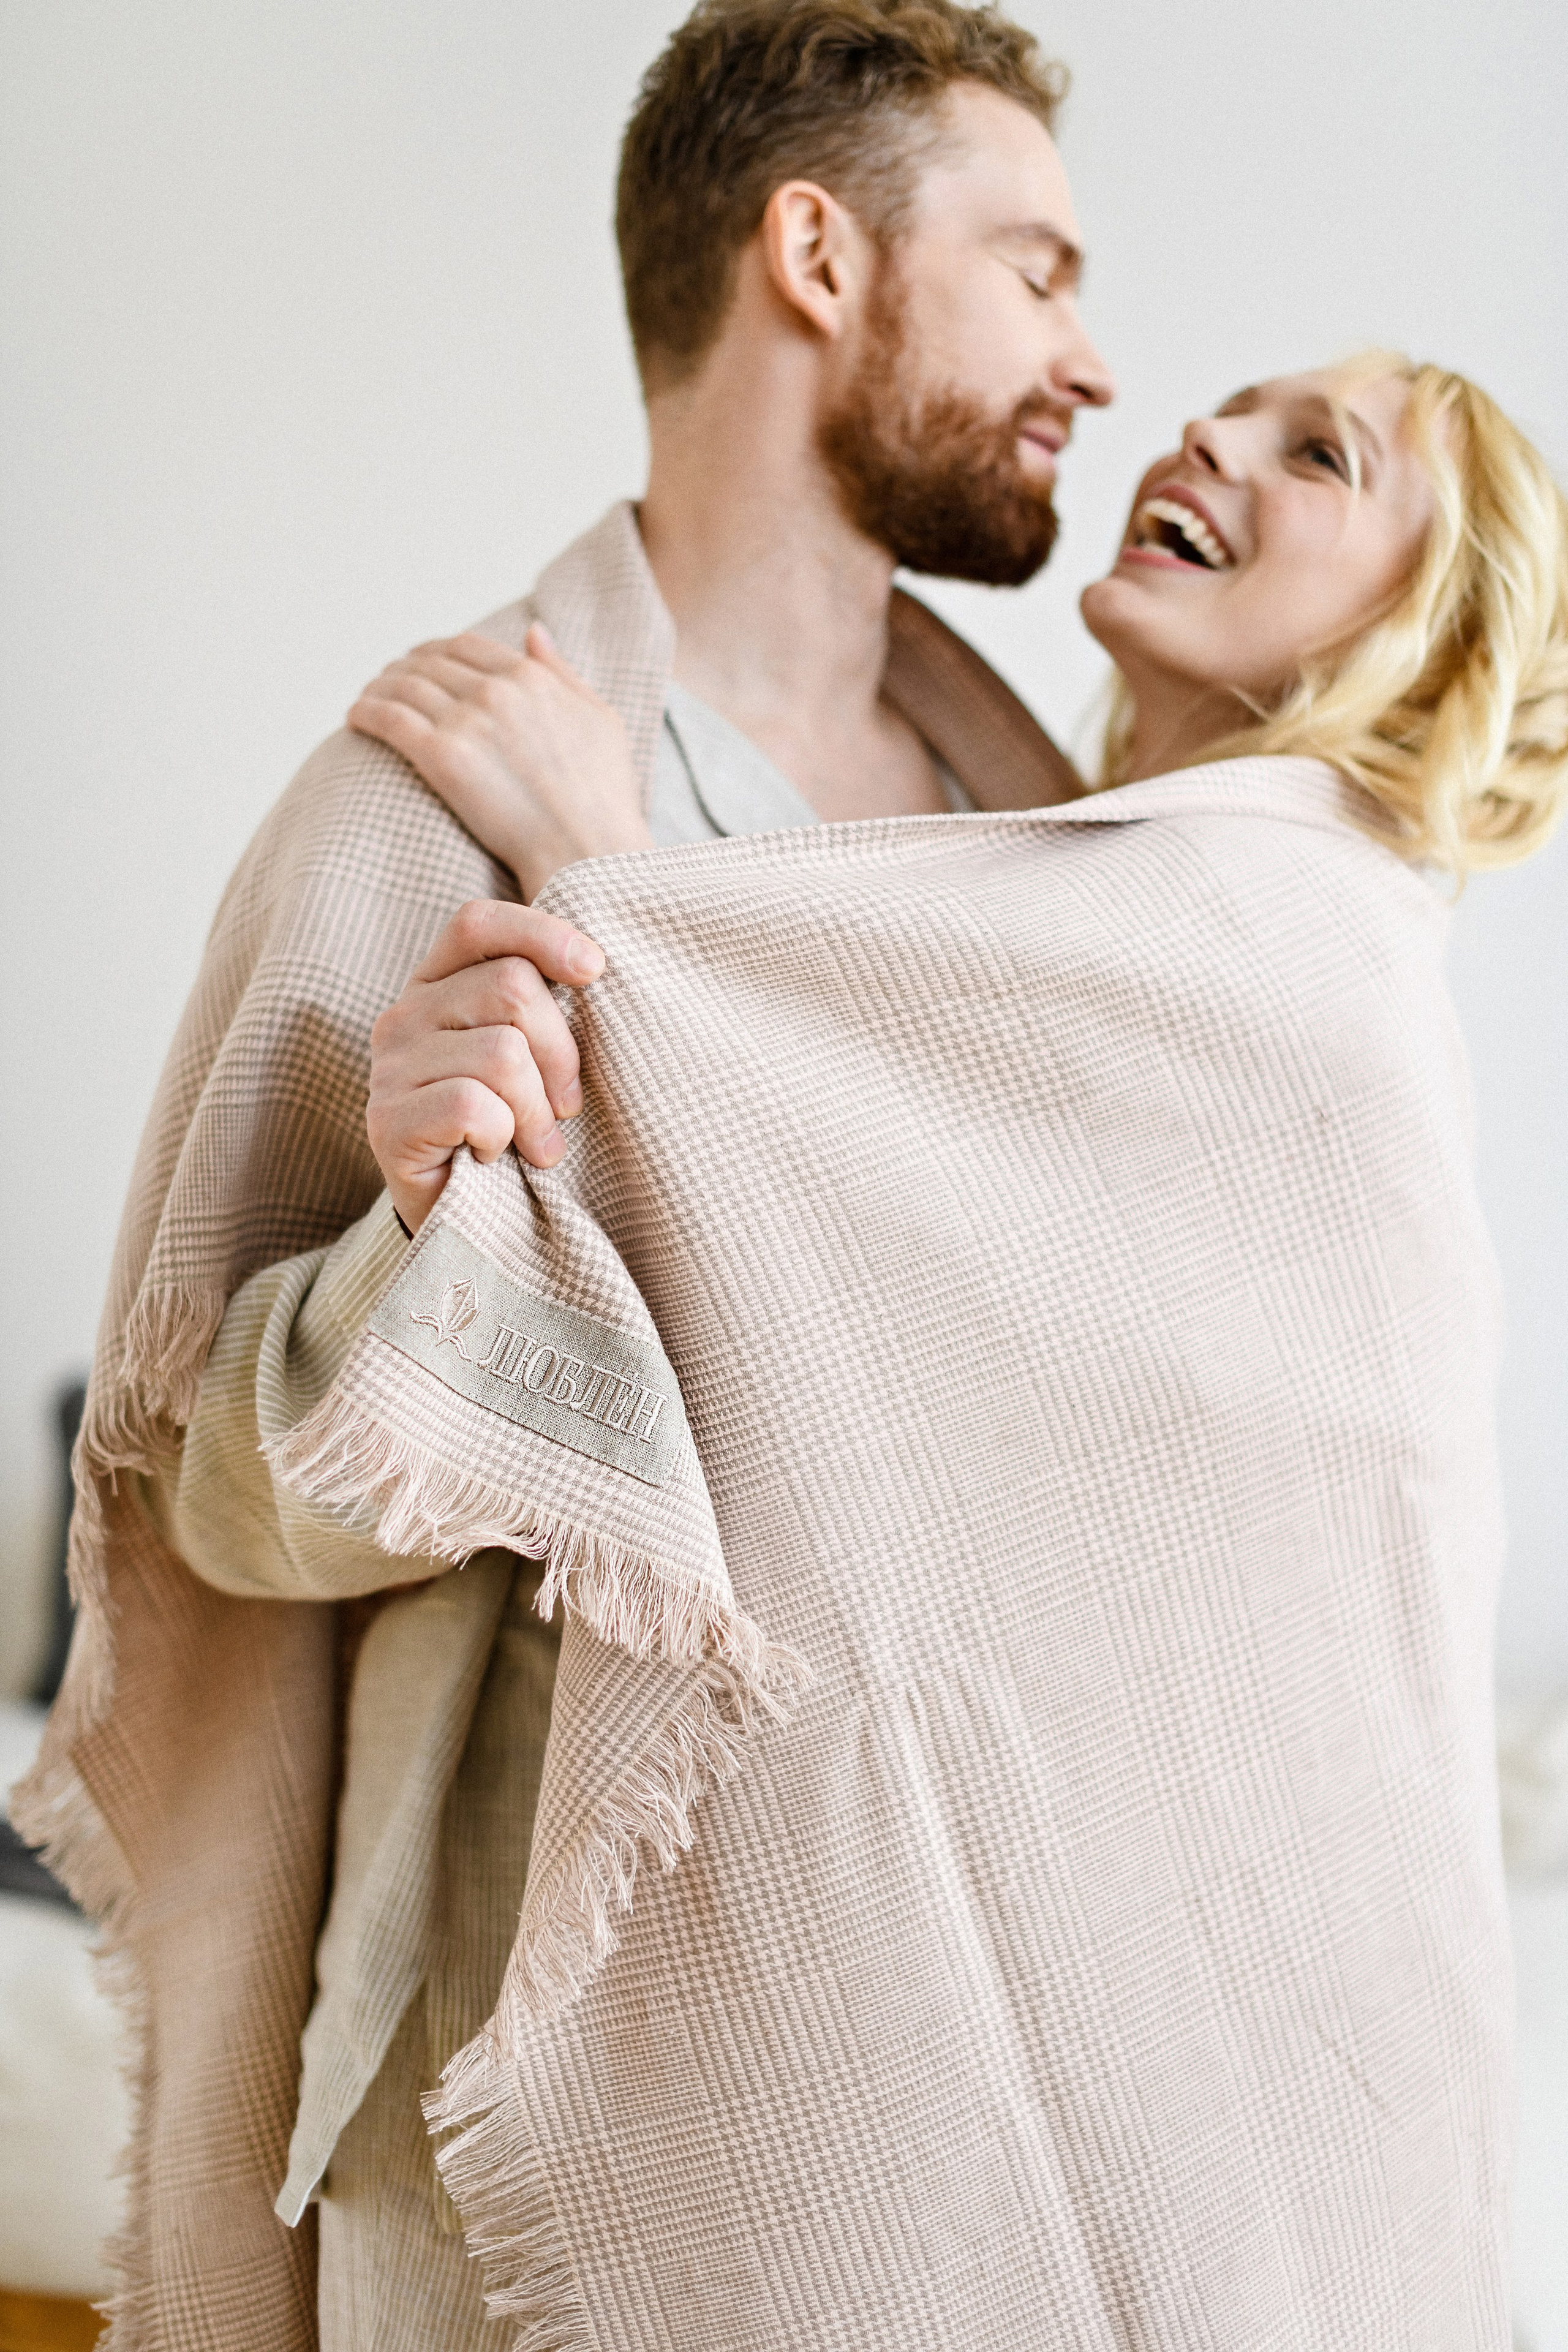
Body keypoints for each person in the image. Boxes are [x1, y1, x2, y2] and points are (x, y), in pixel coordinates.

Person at [17, 7, 1121, 2348]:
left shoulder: (1060, 868)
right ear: (818, 255)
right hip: (547, 2150)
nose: (1091, 359)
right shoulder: (410, 817)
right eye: (1036, 269)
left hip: (957, 2101)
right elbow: (219, 1522)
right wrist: (423, 1249)